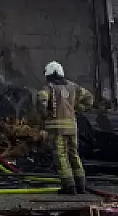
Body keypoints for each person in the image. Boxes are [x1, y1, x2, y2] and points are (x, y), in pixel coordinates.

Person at [35, 61, 94, 194]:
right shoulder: (74, 87)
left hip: (57, 130)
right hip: (72, 128)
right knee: (74, 154)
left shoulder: (49, 88)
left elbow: (41, 99)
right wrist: (77, 109)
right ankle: (81, 185)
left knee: (61, 156)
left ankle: (69, 186)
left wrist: (45, 115)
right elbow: (90, 98)